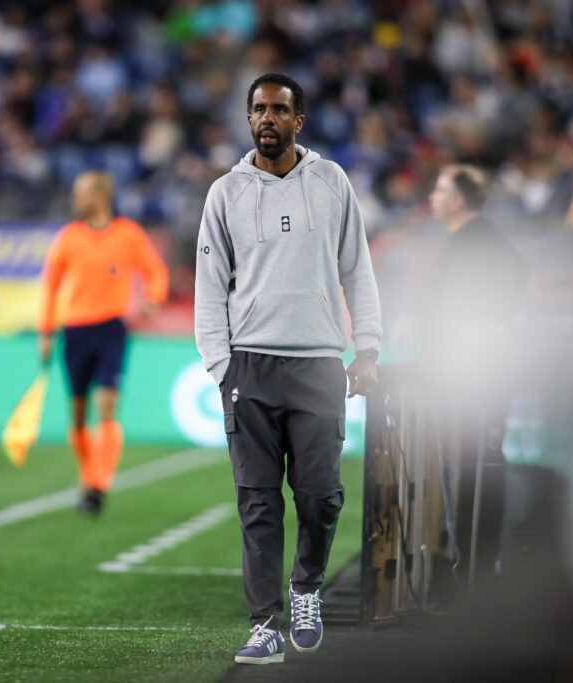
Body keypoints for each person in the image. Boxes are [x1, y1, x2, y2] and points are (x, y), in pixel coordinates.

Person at [194, 73, 383, 664]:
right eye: (258, 109)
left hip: (320, 364)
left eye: (278, 109)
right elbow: (208, 288)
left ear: (298, 120)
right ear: (248, 119)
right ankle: (265, 624)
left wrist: (368, 347)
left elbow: (359, 269)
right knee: (257, 502)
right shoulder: (225, 192)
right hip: (249, 366)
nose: (267, 118)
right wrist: (221, 366)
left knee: (322, 495)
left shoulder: (331, 182)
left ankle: (305, 589)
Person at [423, 164, 527, 598]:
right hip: (467, 374)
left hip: (471, 378)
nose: (432, 197)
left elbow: (507, 287)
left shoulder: (477, 244)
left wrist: (481, 332)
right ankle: (473, 566)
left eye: (440, 190)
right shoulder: (473, 241)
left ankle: (475, 571)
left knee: (469, 469)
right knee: (465, 467)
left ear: (459, 200)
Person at [38, 171, 169, 516]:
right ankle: (88, 474)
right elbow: (50, 286)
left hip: (112, 329)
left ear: (99, 196)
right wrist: (46, 332)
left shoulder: (127, 235)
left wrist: (152, 298)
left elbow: (155, 271)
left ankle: (97, 482)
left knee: (107, 405)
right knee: (79, 417)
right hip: (75, 331)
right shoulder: (68, 238)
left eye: (80, 193)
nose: (75, 200)